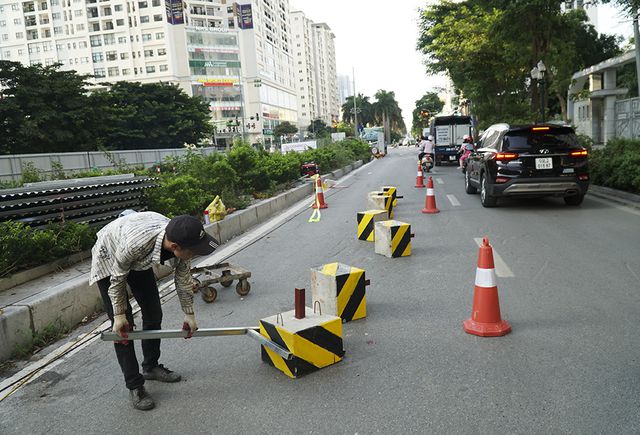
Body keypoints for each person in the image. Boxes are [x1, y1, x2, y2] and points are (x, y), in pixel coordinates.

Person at [89, 211, 219, 411]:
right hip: (111, 256)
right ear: (175, 247)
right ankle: (135, 385)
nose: (194, 255)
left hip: (138, 256)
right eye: (193, 251)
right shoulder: (136, 245)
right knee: (124, 328)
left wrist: (189, 314)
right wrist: (119, 315)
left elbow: (183, 279)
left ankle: (150, 366)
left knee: (153, 313)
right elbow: (116, 281)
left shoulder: (179, 235)